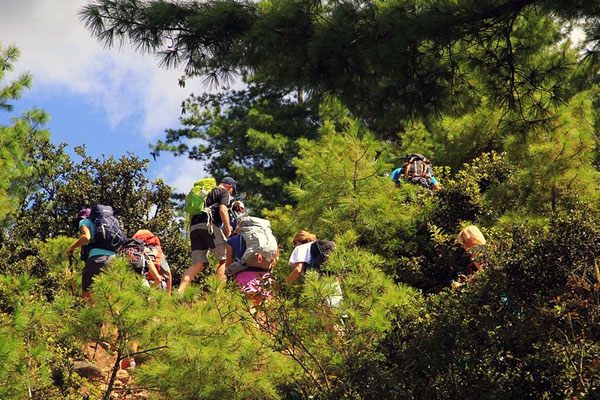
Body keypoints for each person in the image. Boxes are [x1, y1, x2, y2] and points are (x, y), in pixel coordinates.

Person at [178, 176, 237, 293]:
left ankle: (180, 291)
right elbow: (222, 210)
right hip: (209, 226)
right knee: (223, 259)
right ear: (230, 186)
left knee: (198, 263)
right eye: (232, 191)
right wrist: (228, 228)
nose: (231, 193)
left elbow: (191, 214)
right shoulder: (223, 192)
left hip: (194, 227)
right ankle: (218, 292)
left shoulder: (204, 193)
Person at [65, 207, 118, 303]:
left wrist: (71, 248)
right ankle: (114, 316)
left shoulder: (85, 222)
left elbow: (86, 237)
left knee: (86, 293)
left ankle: (91, 315)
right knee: (108, 296)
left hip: (97, 258)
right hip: (114, 259)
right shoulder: (105, 224)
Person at [132, 229, 172, 294]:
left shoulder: (136, 250)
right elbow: (167, 273)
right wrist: (168, 293)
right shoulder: (158, 252)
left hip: (141, 281)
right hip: (159, 284)